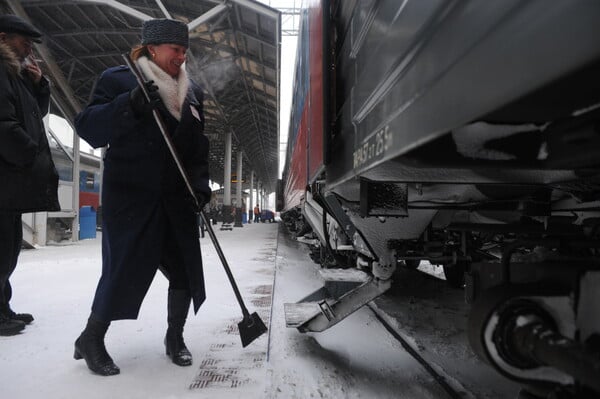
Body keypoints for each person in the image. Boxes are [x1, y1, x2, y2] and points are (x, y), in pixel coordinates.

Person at [73, 18, 210, 376]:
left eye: (185, 51)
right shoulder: (120, 80)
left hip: (176, 201)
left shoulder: (192, 93)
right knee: (124, 270)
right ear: (152, 48)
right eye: (175, 50)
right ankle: (91, 338)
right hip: (132, 198)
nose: (181, 57)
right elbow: (88, 126)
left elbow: (198, 149)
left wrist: (200, 186)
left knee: (183, 271)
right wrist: (129, 104)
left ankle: (175, 337)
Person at [0, 15, 60, 336]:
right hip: (6, 176)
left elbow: (33, 113)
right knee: (2, 248)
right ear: (3, 38)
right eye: (24, 43)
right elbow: (4, 126)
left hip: (9, 181)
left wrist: (38, 86)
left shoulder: (14, 75)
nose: (28, 51)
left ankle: (3, 307)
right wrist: (30, 154)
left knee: (8, 249)